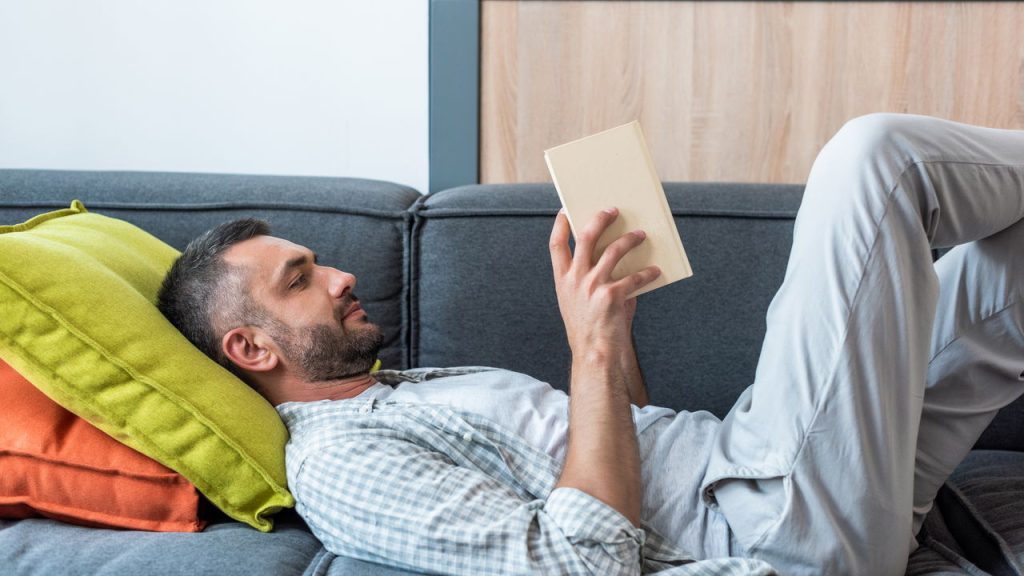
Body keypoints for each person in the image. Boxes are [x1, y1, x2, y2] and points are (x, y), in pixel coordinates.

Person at [157, 113, 1024, 576]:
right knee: (876, 159)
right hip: (765, 529)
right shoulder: (338, 464)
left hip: (766, 470)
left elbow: (624, 449)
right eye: (302, 279)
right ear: (252, 348)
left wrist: (617, 328)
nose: (341, 276)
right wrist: (592, 347)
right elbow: (583, 564)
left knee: (1007, 268)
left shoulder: (404, 388)